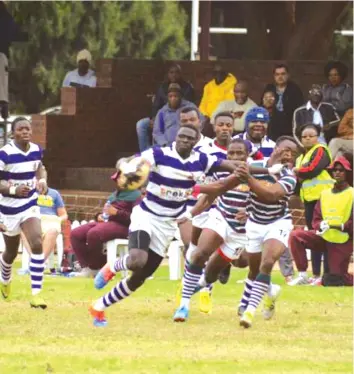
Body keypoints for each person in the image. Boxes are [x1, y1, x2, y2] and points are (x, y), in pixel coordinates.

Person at [89, 125, 243, 327]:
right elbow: (137, 162)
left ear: (196, 141)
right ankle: (112, 267)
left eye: (189, 138)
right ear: (175, 137)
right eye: (181, 136)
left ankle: (99, 307)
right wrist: (126, 165)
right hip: (146, 215)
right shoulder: (158, 154)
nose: (184, 140)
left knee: (140, 277)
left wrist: (263, 169)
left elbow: (229, 165)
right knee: (137, 260)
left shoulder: (201, 160)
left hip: (169, 224)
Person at [173, 139, 250, 321]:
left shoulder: (255, 172)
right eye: (231, 153)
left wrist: (249, 212)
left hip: (241, 231)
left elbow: (264, 199)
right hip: (220, 218)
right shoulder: (221, 171)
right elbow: (209, 196)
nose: (236, 157)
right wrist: (191, 214)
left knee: (212, 273)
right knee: (199, 254)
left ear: (248, 155)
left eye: (240, 153)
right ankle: (183, 306)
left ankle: (200, 285)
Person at [0, 117, 47, 308]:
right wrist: (13, 190)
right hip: (9, 208)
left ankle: (36, 295)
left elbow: (40, 168)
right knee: (10, 253)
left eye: (28, 128)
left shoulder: (36, 150)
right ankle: (5, 281)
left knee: (37, 242)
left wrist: (42, 180)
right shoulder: (5, 154)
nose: (26, 132)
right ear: (13, 133)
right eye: (21, 129)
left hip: (30, 204)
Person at [289, 156, 353, 287]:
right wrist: (320, 225)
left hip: (342, 240)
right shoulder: (325, 194)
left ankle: (333, 277)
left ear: (347, 173)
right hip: (324, 236)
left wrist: (337, 225)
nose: (337, 172)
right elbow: (316, 219)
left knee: (335, 280)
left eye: (341, 170)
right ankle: (302, 275)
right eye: (335, 170)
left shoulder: (352, 194)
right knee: (296, 235)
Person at [71, 181, 141, 277]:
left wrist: (117, 213)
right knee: (76, 234)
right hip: (107, 223)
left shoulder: (136, 196)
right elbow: (107, 211)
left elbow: (138, 217)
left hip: (124, 226)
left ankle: (96, 268)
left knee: (94, 234)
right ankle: (86, 267)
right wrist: (99, 216)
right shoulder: (115, 195)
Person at [293, 124, 334, 284]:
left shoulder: (321, 150)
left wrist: (298, 171)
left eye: (311, 135)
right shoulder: (300, 158)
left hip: (324, 199)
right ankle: (316, 274)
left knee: (326, 235)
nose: (308, 138)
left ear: (318, 137)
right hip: (310, 202)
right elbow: (298, 183)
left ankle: (327, 274)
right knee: (313, 236)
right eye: (304, 136)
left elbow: (313, 169)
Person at [136, 63, 195, 152]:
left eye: (176, 72)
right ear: (168, 74)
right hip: (160, 116)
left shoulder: (187, 87)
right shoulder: (163, 87)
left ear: (180, 74)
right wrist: (153, 118)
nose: (174, 75)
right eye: (171, 72)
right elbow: (156, 105)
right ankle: (145, 152)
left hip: (175, 117)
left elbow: (188, 107)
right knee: (141, 125)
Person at [0, 2, 28, 121]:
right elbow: (16, 34)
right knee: (2, 79)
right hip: (1, 53)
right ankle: (3, 103)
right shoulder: (6, 18)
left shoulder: (6, 19)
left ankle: (4, 103)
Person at [262, 64, 304, 139]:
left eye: (283, 74)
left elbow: (299, 111)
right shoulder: (269, 88)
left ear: (288, 75)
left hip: (289, 127)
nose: (280, 77)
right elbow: (262, 106)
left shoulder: (295, 89)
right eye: (277, 74)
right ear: (274, 76)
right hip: (272, 127)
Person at [199, 63, 236, 137]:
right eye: (216, 72)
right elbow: (203, 105)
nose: (218, 75)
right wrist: (206, 116)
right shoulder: (208, 86)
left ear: (226, 73)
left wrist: (214, 119)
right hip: (207, 120)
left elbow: (228, 105)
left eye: (221, 73)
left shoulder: (232, 84)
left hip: (223, 118)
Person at [36, 185, 68, 267]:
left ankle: (39, 263)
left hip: (51, 220)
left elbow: (64, 215)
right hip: (34, 218)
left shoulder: (54, 193)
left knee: (53, 231)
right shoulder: (28, 192)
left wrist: (58, 220)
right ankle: (36, 261)